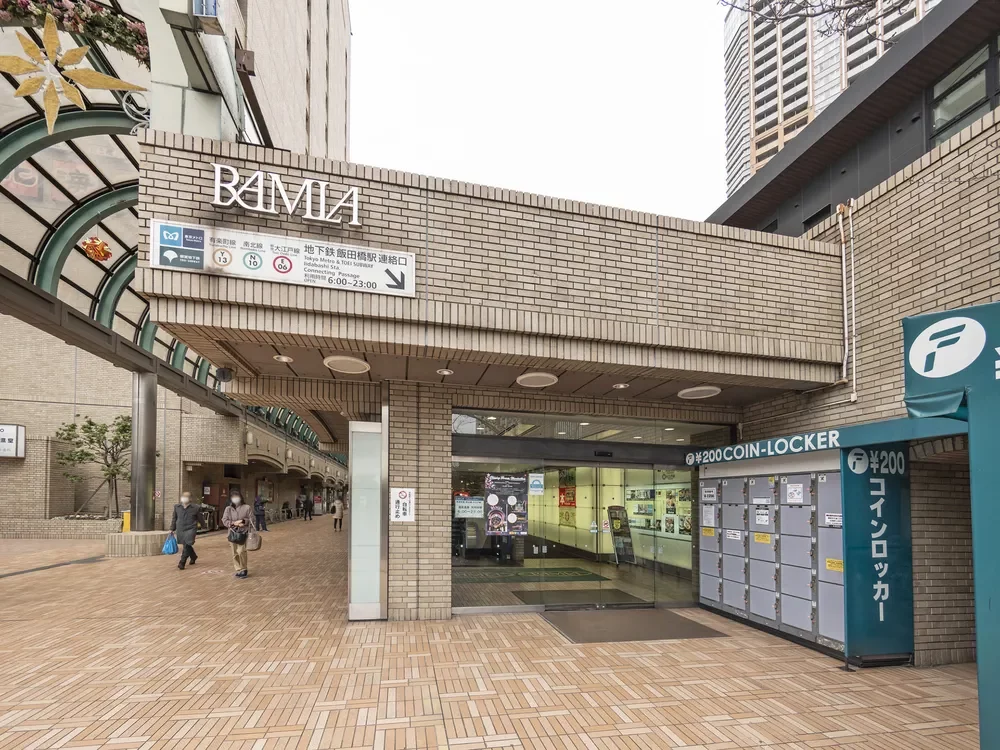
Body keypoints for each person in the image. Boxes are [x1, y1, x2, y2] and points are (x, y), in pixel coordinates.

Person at [222, 491, 252, 578]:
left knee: (241, 551)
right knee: (234, 553)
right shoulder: (228, 509)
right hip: (232, 533)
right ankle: (238, 569)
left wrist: (243, 521)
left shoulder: (247, 507)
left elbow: (251, 519)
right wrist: (233, 523)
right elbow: (224, 520)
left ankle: (244, 569)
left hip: (243, 533)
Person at [171, 491, 201, 570]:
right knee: (186, 544)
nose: (184, 498)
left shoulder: (196, 508)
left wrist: (202, 525)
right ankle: (193, 556)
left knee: (188, 544)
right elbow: (174, 518)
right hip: (180, 529)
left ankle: (182, 562)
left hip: (191, 528)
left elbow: (200, 518)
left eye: (187, 496)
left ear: (190, 499)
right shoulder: (177, 507)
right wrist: (172, 528)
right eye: (183, 496)